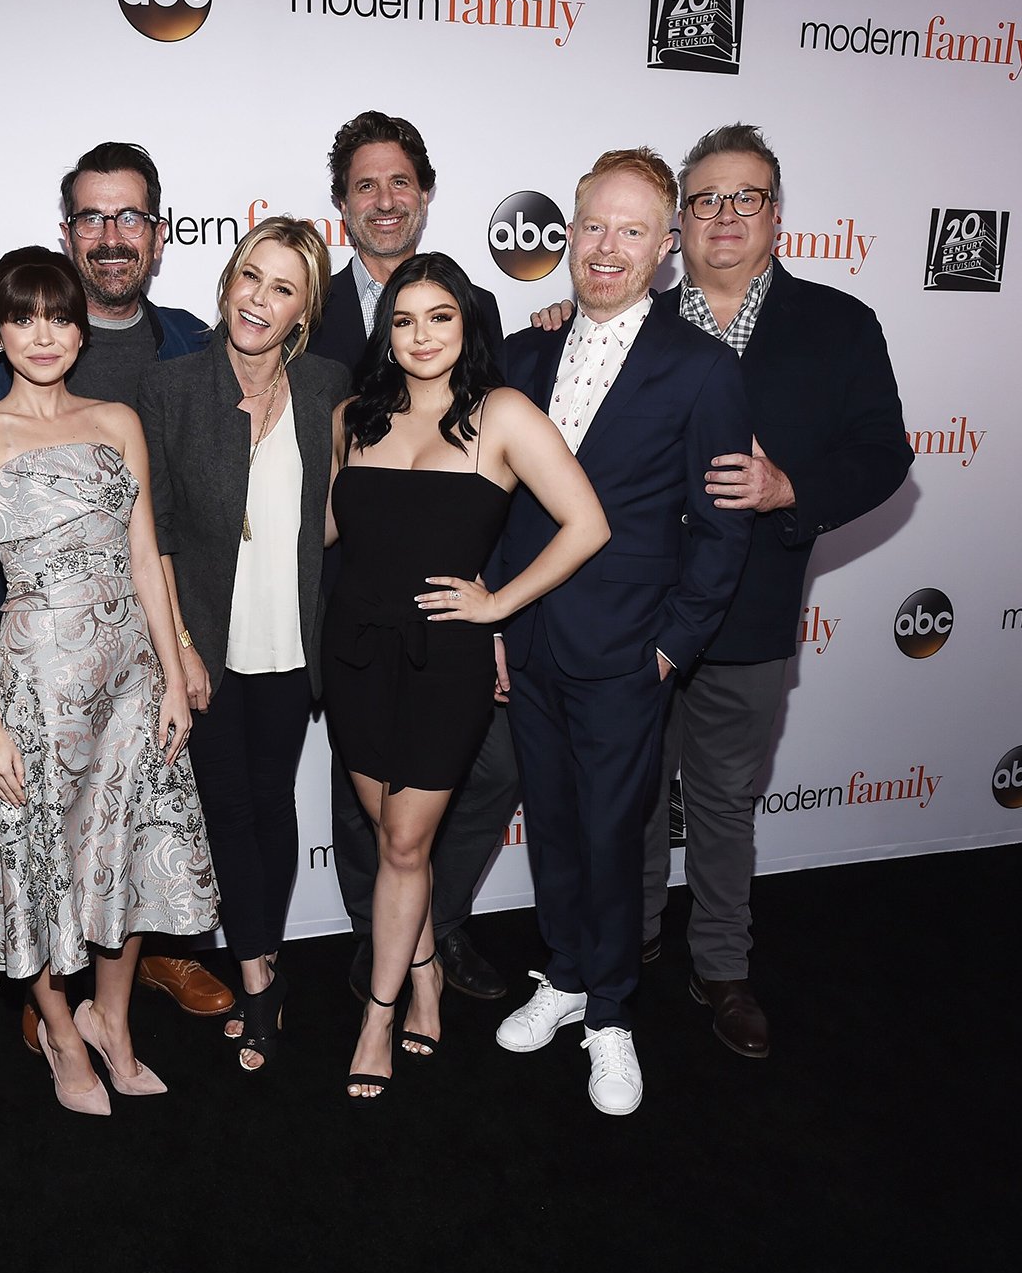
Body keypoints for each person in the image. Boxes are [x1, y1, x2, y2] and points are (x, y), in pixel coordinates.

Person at [492, 148, 752, 1117]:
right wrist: (495, 618)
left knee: (611, 833)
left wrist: (668, 646)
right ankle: (562, 975)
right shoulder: (522, 355)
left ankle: (610, 1013)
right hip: (531, 642)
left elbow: (722, 529)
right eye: (593, 226)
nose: (607, 247)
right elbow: (498, 511)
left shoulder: (702, 371)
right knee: (554, 823)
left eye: (632, 230)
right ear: (569, 232)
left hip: (626, 650)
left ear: (667, 247)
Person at [641, 124, 911, 1056]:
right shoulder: (633, 318)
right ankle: (626, 946)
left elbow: (884, 454)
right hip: (635, 613)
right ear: (677, 220)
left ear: (775, 214)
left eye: (743, 197)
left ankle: (718, 965)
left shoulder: (839, 325)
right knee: (633, 791)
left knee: (720, 800)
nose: (724, 215)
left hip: (752, 615)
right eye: (705, 199)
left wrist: (789, 487)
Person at [0, 142, 229, 1023]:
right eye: (23, 320)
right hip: (36, 675)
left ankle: (110, 1015)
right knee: (38, 846)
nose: (43, 334)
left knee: (130, 840)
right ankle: (54, 1026)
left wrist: (176, 661)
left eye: (58, 320)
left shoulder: (128, 407)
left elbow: (149, 555)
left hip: (131, 676)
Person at [325, 253, 608, 1102]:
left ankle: (376, 1017)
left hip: (443, 658)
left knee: (406, 844)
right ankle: (423, 978)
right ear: (387, 331)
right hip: (356, 654)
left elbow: (586, 522)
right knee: (387, 838)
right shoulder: (352, 416)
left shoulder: (502, 415)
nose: (420, 336)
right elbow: (329, 534)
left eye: (438, 317)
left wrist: (497, 605)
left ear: (466, 325)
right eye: (403, 320)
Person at [138, 217, 348, 1072]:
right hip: (209, 642)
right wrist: (180, 647)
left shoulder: (330, 385)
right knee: (227, 804)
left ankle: (267, 961)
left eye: (282, 288)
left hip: (292, 638)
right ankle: (259, 977)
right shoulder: (172, 387)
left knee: (273, 800)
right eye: (249, 277)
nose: (258, 299)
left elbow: (334, 519)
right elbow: (153, 531)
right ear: (227, 281)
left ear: (304, 311)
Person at [314, 109, 515, 1005]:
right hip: (350, 604)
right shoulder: (304, 307)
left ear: (424, 196)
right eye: (365, 184)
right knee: (364, 807)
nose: (384, 199)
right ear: (341, 205)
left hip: (448, 616)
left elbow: (496, 476)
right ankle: (377, 944)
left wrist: (497, 603)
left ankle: (435, 929)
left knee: (478, 779)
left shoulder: (482, 308)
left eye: (401, 181)